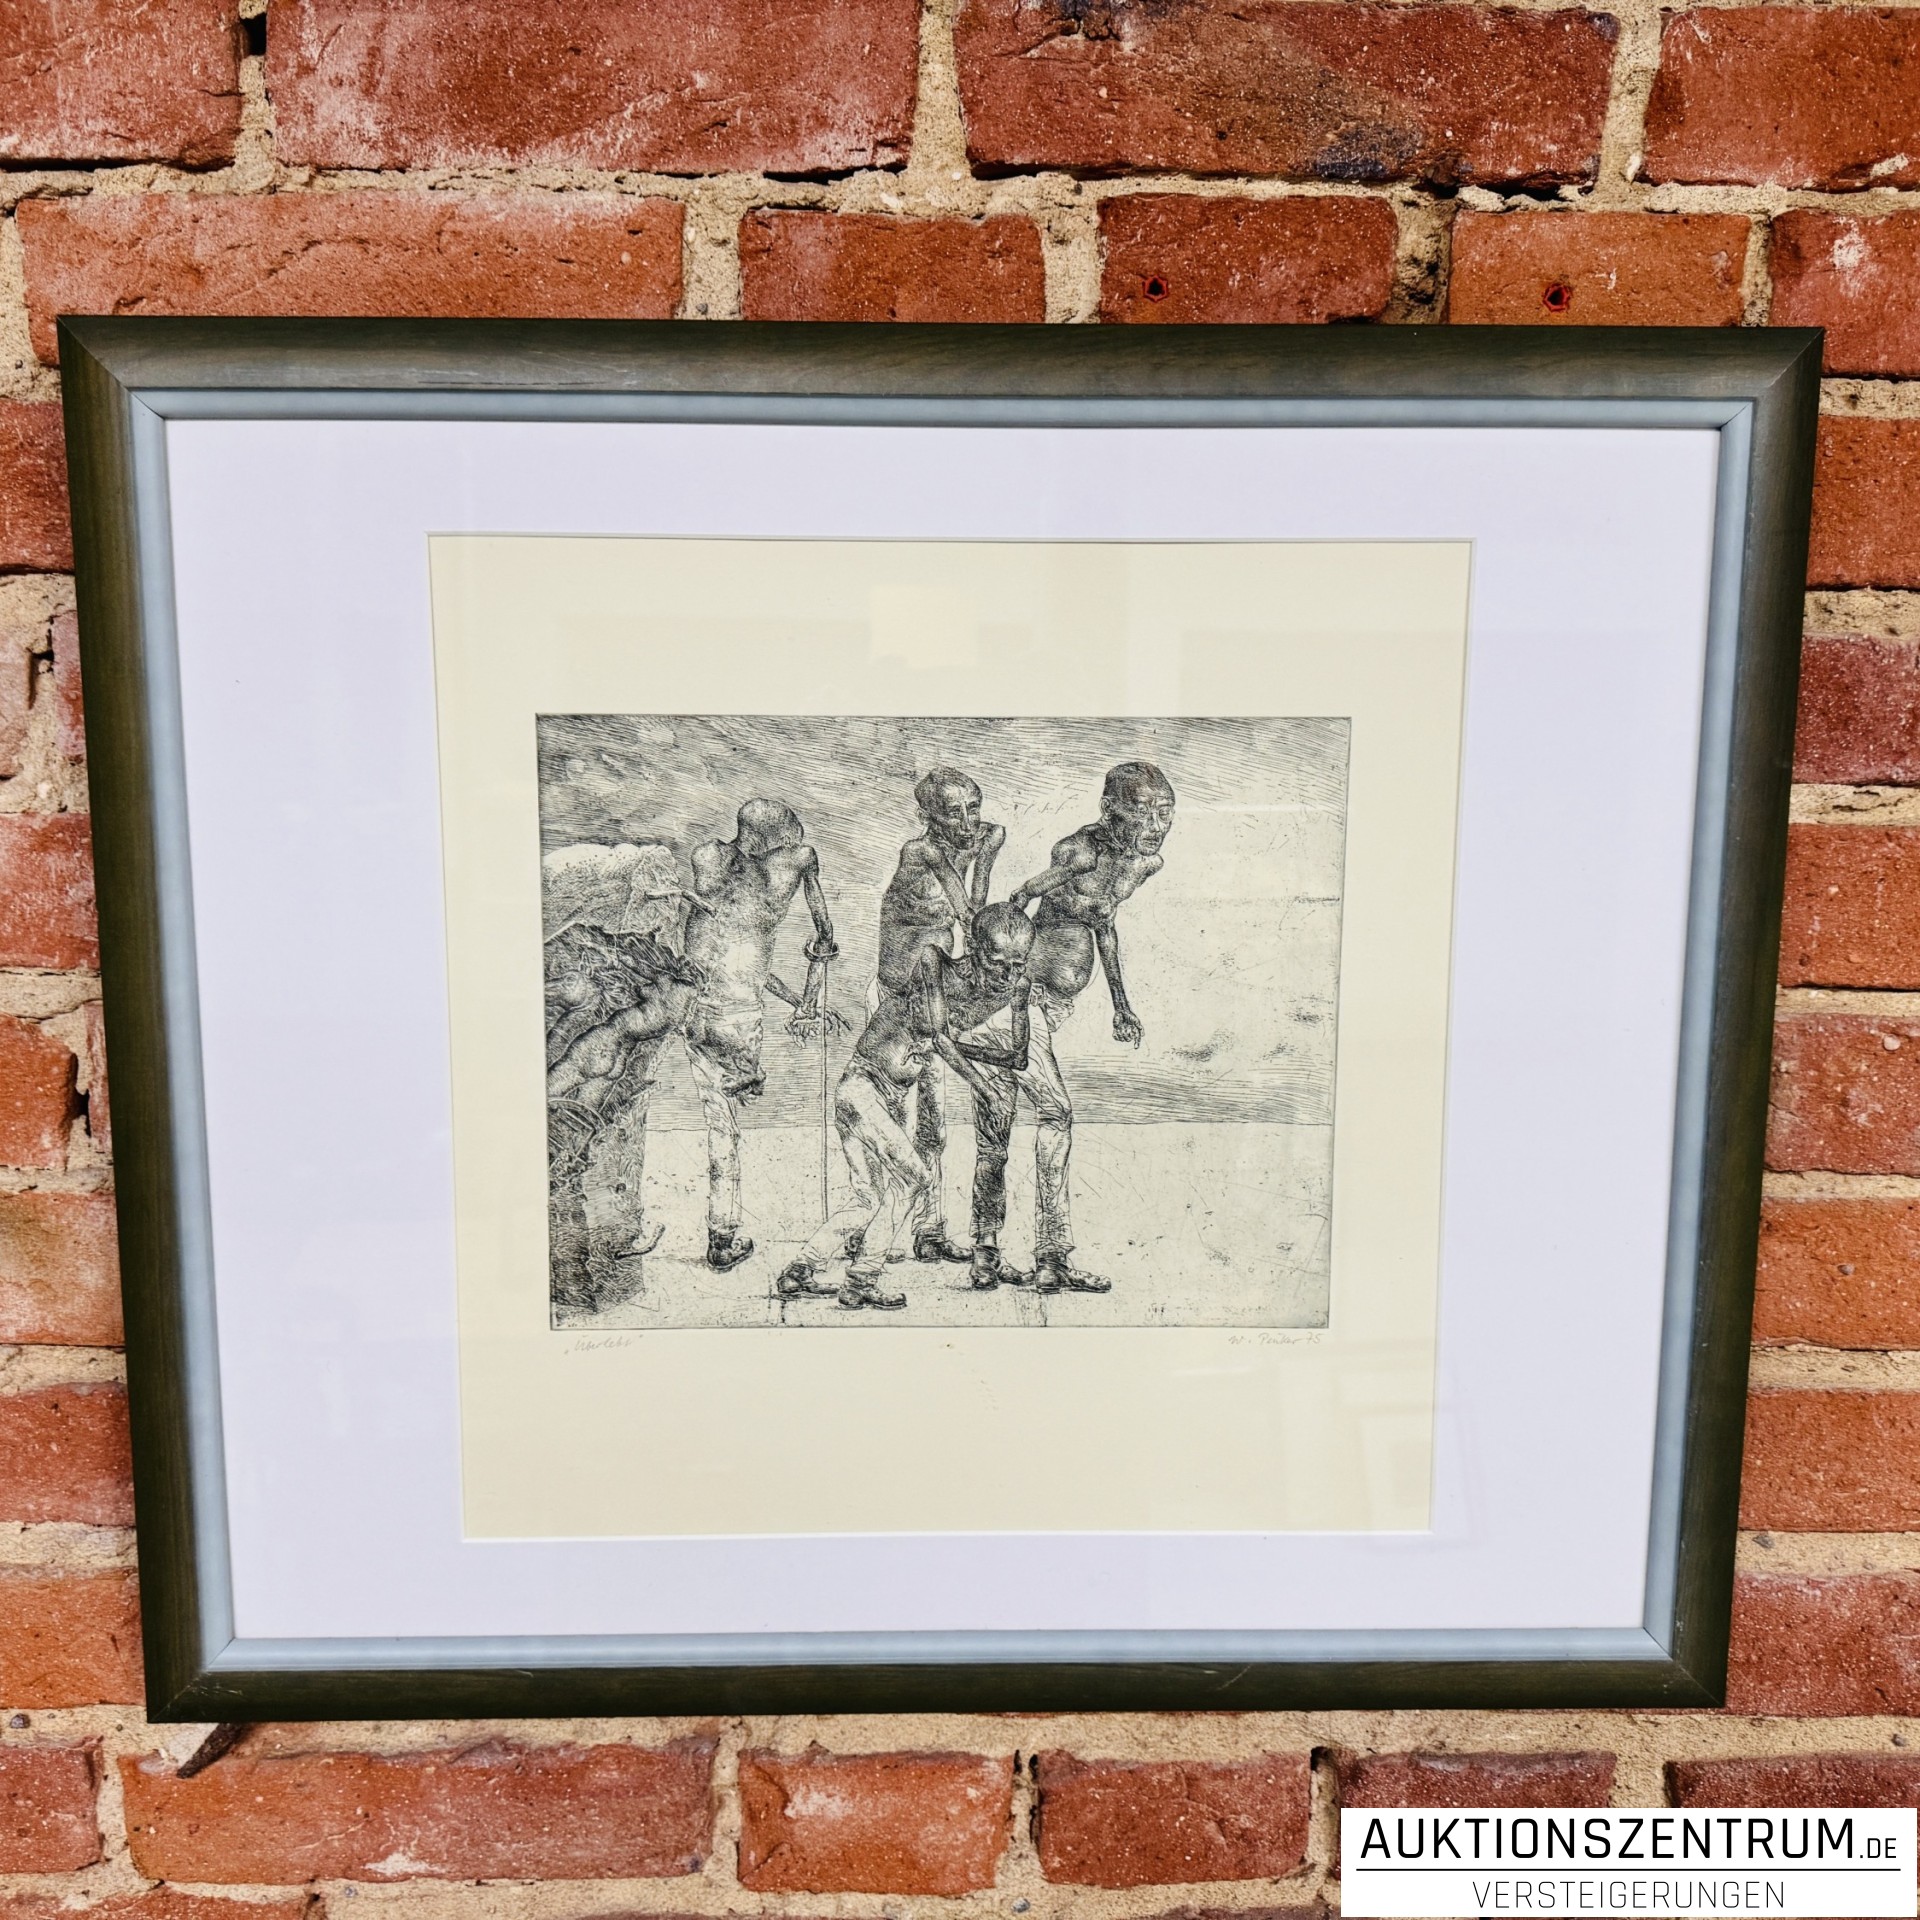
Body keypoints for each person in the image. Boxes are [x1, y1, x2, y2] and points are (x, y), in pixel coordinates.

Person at [977, 761, 1176, 1295]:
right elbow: (1018, 900)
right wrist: (1012, 992)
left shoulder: (1144, 863)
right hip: (1021, 1005)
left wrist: (1121, 1005)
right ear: (1110, 811)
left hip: (1050, 1008)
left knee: (998, 1121)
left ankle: (985, 1255)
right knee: (1054, 1114)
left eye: (1165, 812)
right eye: (1143, 811)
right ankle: (1051, 1256)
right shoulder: (1078, 853)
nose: (1156, 825)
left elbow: (1103, 923)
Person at [778, 905, 1033, 1311]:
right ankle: (862, 1279)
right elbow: (939, 1036)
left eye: (1017, 965)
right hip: (863, 1089)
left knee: (867, 1198)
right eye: (997, 963)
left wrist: (959, 1046)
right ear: (974, 949)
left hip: (880, 1095)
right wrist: (986, 1088)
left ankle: (799, 1270)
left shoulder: (1010, 987)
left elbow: (1015, 1057)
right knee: (915, 1179)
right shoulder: (933, 961)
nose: (1007, 975)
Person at [682, 798, 838, 1272]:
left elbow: (732, 956)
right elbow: (823, 934)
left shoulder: (707, 858)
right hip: (737, 1017)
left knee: (719, 1120)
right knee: (728, 1119)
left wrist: (797, 1000)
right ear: (778, 839)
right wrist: (814, 977)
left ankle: (722, 1233)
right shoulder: (788, 869)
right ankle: (722, 1236)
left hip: (693, 1007)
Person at [872, 767, 1006, 1265]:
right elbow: (969, 914)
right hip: (893, 1001)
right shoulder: (920, 851)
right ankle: (877, 1230)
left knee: (933, 1122)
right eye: (953, 813)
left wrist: (984, 854)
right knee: (890, 1119)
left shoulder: (984, 837)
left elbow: (977, 902)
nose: (968, 822)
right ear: (927, 815)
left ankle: (928, 1230)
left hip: (935, 999)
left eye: (974, 808)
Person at [545, 935, 701, 1319]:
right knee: (576, 1136)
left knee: (548, 1103)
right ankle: (572, 1286)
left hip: (595, 1066)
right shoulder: (679, 998)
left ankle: (572, 1284)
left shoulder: (666, 989)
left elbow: (642, 973)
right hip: (605, 1071)